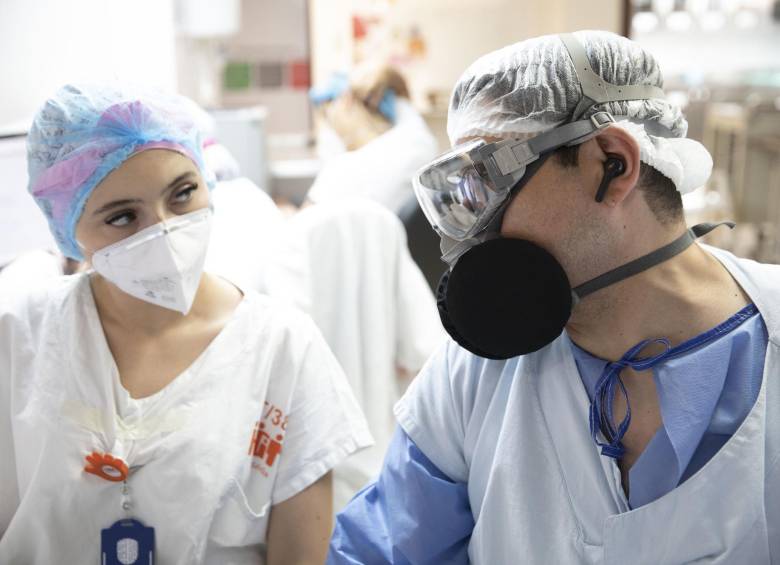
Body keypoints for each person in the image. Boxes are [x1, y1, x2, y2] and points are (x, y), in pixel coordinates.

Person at [328, 30, 779, 564]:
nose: (470, 237)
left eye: (489, 184)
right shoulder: (475, 372)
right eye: (463, 197)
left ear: (613, 163)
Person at [0, 82, 372, 565]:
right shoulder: (21, 335)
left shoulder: (281, 348)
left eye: (182, 194)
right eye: (122, 218)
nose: (163, 231)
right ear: (69, 228)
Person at [284, 199, 443, 512]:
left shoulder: (289, 243)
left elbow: (284, 359)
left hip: (314, 471)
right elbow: (423, 349)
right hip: (385, 463)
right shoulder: (381, 224)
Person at [307, 64, 439, 213]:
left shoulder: (340, 172)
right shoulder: (421, 146)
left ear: (347, 100)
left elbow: (299, 228)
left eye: (327, 114)